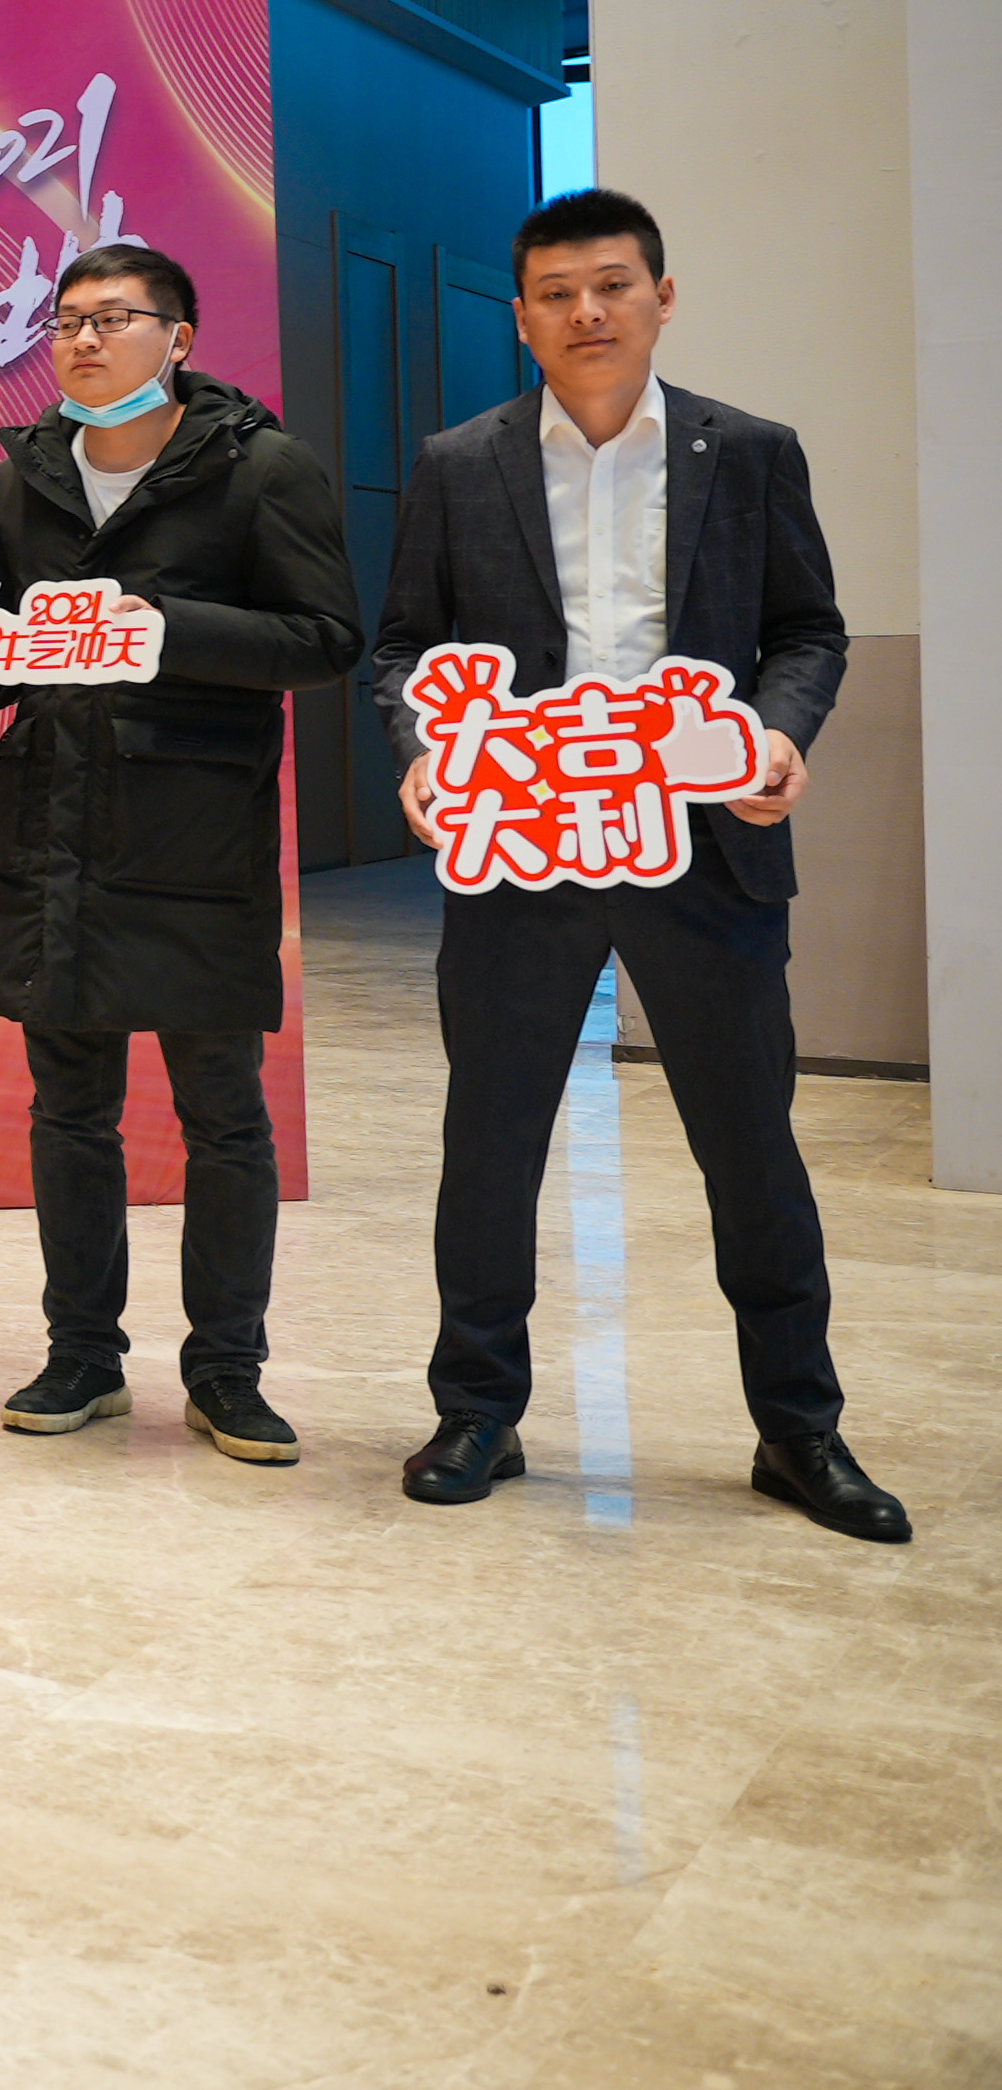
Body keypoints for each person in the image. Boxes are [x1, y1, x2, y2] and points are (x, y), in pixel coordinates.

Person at [372, 191, 902, 1541]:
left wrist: (777, 734)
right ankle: (476, 1410)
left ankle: (799, 1429)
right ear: (522, 319)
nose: (586, 312)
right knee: (490, 1146)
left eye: (611, 285)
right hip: (521, 851)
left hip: (703, 849)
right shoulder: (459, 463)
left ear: (663, 298)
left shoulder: (750, 452)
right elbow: (405, 647)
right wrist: (429, 751)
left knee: (751, 1149)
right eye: (556, 293)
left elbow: (808, 630)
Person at [0, 242, 356, 1467]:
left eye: (112, 318)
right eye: (66, 320)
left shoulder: (259, 467)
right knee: (69, 1110)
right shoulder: (24, 473)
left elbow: (324, 636)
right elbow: (1, 629)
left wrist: (162, 627)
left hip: (193, 838)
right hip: (51, 831)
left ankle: (227, 1370)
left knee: (222, 1115)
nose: (81, 339)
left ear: (177, 339)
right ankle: (81, 1355)